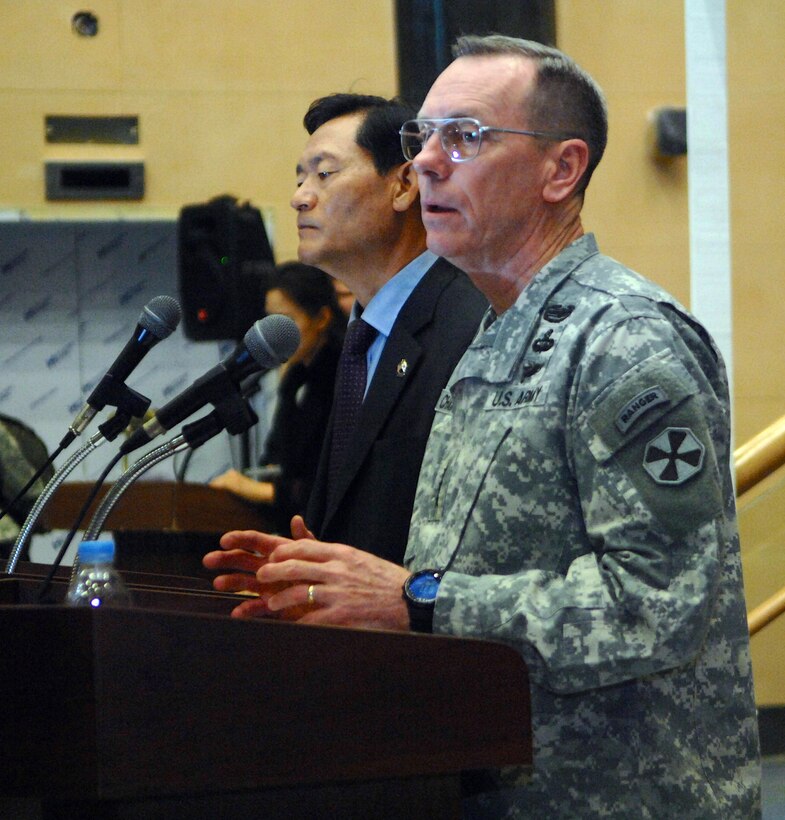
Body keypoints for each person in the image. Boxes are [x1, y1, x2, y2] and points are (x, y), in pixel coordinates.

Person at [205, 39, 761, 817]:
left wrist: (419, 599)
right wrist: (337, 588)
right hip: (492, 783)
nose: (426, 163)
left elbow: (658, 606)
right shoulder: (495, 336)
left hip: (619, 796)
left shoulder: (624, 341)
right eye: (420, 139)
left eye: (463, 137)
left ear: (559, 170)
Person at [213, 93, 484, 563]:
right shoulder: (361, 337)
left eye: (324, 173)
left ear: (404, 186)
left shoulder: (473, 325)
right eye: (299, 177)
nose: (300, 196)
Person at [209, 262, 345, 532]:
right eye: (271, 321)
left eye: (289, 321)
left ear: (322, 319)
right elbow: (277, 456)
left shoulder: (341, 375)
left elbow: (327, 482)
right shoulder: (295, 376)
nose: (278, 335)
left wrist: (255, 490)